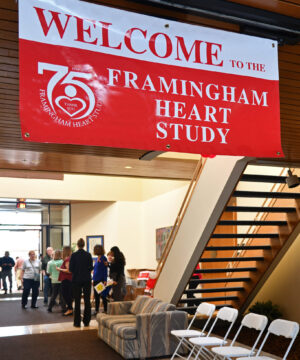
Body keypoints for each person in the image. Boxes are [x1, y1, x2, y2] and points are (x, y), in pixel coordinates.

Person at [69, 238, 93, 328]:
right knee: (87, 301)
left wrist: (77, 271)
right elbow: (91, 267)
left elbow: (71, 269)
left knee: (77, 301)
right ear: (84, 245)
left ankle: (77, 322)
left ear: (78, 245)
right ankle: (86, 321)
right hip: (86, 279)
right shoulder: (88, 255)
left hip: (76, 280)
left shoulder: (74, 255)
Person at [57, 246, 73, 316]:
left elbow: (69, 270)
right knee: (67, 295)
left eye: (63, 251)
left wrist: (59, 269)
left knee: (66, 295)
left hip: (67, 279)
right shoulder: (68, 259)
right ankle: (70, 308)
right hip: (67, 279)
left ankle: (70, 309)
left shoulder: (67, 260)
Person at [93, 245, 108, 314]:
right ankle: (97, 310)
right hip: (95, 279)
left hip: (100, 279)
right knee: (96, 296)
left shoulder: (103, 258)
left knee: (102, 295)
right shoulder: (97, 258)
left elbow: (105, 270)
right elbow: (95, 269)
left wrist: (105, 280)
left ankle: (105, 309)